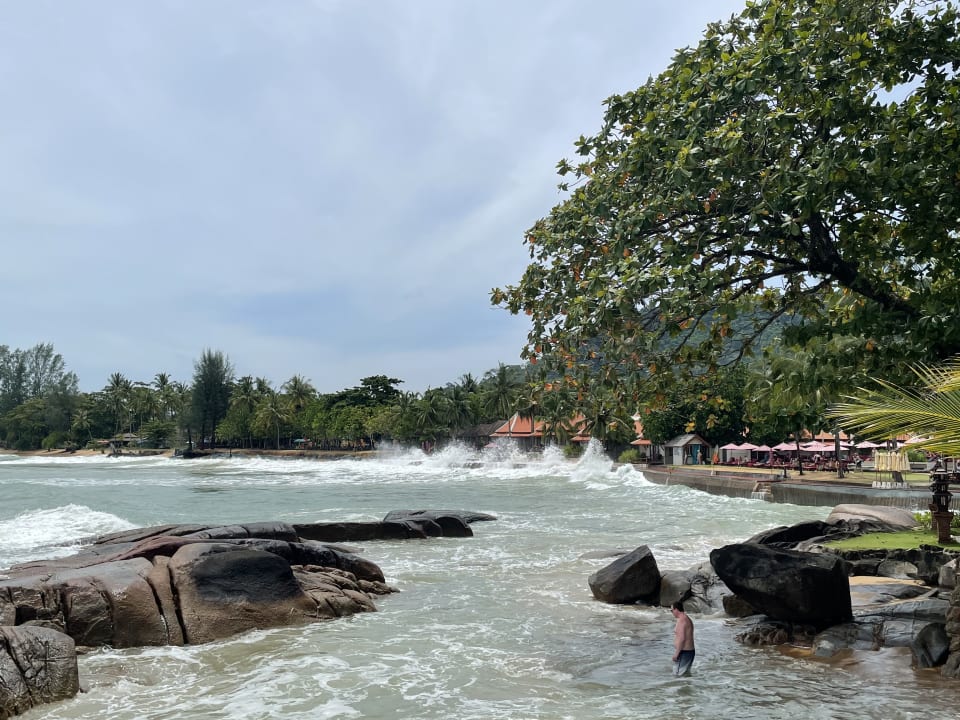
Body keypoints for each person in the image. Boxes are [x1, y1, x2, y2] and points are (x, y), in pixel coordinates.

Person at [671, 600, 695, 676]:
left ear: (676, 609)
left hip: (684, 652)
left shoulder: (682, 620)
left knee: (677, 676)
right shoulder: (686, 618)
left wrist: (676, 653)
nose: (672, 613)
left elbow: (682, 638)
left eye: (671, 610)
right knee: (684, 675)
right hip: (688, 652)